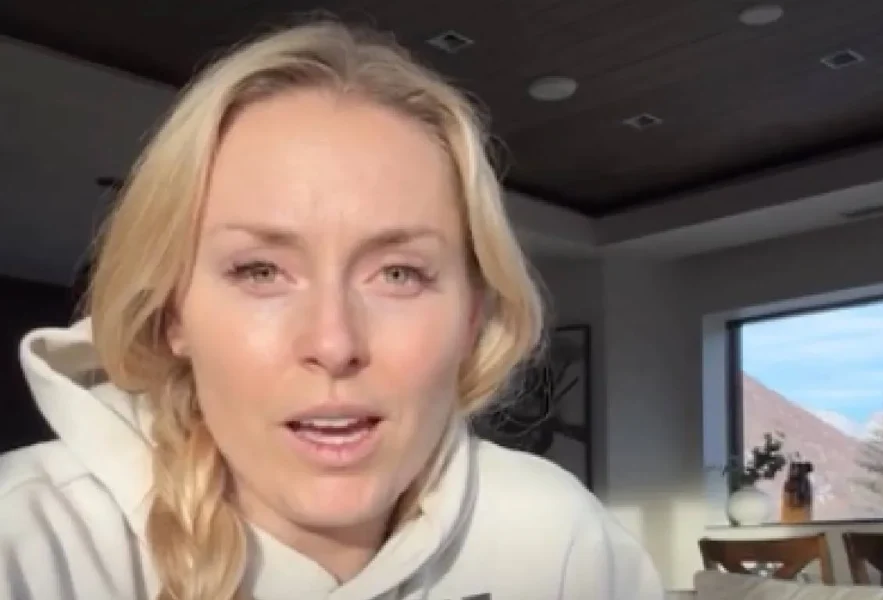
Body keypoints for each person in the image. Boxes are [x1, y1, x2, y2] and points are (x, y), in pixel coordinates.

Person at [0, 18, 665, 600]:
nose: (334, 342)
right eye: (261, 271)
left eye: (399, 274)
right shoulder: (27, 547)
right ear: (173, 314)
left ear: (472, 316)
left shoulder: (558, 543)